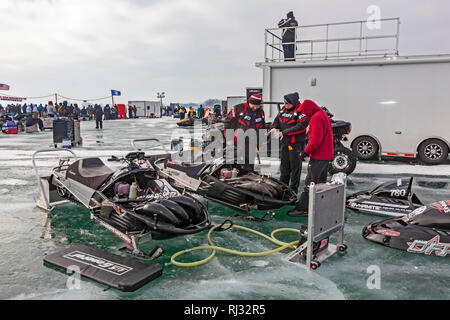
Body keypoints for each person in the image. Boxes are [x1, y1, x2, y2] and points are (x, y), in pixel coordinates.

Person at [287, 99, 334, 217]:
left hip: (318, 156)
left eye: (305, 113)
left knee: (310, 183)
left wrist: (305, 152)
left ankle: (303, 209)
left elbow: (315, 140)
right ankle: (317, 206)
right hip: (325, 156)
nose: (305, 116)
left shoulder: (316, 118)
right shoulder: (323, 115)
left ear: (309, 109)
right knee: (320, 183)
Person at [268, 92, 309, 195]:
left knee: (295, 170)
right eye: (284, 103)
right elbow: (276, 121)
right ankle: (282, 190)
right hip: (285, 144)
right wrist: (273, 128)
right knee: (284, 168)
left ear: (293, 102)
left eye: (287, 103)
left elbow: (301, 126)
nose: (285, 105)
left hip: (296, 145)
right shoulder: (283, 110)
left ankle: (292, 192)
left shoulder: (301, 110)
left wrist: (283, 132)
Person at [225, 94, 265, 171]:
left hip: (252, 142)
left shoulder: (260, 112)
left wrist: (260, 142)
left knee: (249, 164)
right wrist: (229, 139)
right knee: (238, 163)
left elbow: (262, 126)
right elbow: (227, 123)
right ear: (249, 102)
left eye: (257, 105)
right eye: (253, 105)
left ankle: (248, 177)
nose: (255, 107)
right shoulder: (238, 108)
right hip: (238, 141)